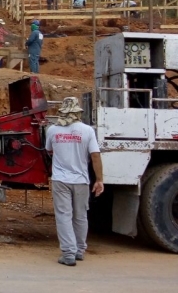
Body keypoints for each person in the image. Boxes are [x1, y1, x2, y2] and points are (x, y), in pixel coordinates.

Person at [45, 97, 104, 267]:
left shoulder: (53, 130)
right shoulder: (87, 131)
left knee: (64, 215)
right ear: (78, 112)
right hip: (81, 180)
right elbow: (95, 156)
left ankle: (68, 253)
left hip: (60, 180)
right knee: (80, 216)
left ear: (62, 111)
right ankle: (79, 250)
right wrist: (99, 180)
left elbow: (48, 150)